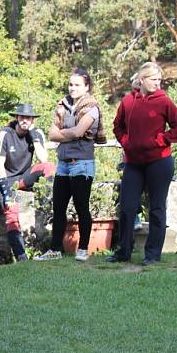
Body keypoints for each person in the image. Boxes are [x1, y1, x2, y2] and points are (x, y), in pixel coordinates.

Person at [108, 62, 177, 265]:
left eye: (159, 80)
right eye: (153, 79)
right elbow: (117, 127)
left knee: (157, 208)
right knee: (127, 207)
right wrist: (126, 142)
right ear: (141, 79)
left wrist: (160, 140)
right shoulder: (127, 102)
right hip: (134, 163)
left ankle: (152, 255)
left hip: (159, 162)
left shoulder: (164, 101)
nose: (157, 83)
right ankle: (123, 251)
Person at [36, 69, 106, 262]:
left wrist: (65, 133)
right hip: (63, 164)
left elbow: (79, 131)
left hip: (82, 164)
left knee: (81, 206)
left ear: (86, 87)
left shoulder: (92, 107)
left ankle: (83, 248)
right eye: (70, 84)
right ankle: (55, 249)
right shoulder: (62, 105)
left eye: (77, 85)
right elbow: (52, 134)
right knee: (58, 207)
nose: (72, 88)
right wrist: (71, 132)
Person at [0, 103, 55, 262]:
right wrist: (7, 193)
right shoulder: (5, 133)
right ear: (17, 117)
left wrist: (33, 134)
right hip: (5, 179)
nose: (25, 120)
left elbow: (43, 159)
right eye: (22, 117)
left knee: (49, 166)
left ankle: (48, 203)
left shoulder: (36, 133)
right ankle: (21, 257)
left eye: (29, 117)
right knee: (11, 212)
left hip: (23, 176)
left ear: (33, 119)